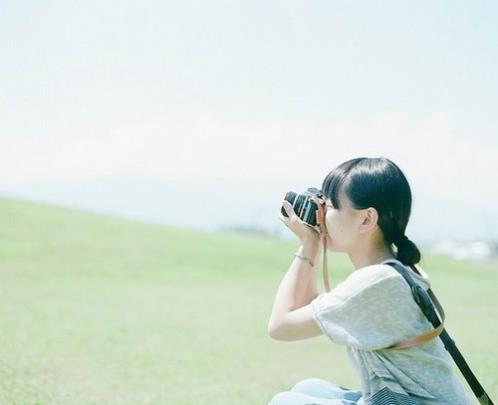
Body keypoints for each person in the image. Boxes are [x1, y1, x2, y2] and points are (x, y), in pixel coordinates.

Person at [267, 157, 472, 405]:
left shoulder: (375, 282)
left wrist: (309, 243)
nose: (321, 214)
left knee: (284, 402)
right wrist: (311, 243)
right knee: (309, 387)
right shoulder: (395, 269)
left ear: (366, 219)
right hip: (408, 399)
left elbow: (280, 327)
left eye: (329, 206)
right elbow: (304, 310)